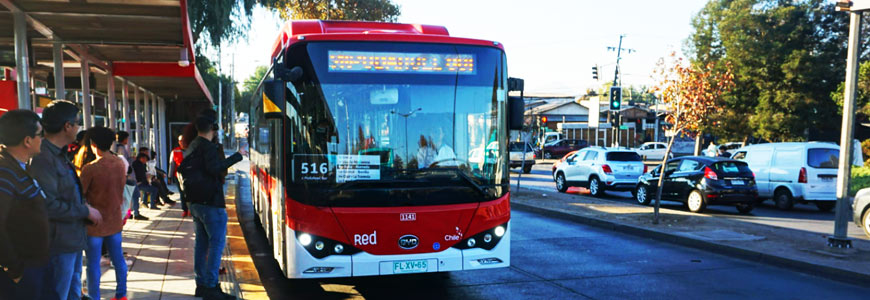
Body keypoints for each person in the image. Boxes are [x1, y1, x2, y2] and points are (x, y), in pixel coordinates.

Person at [29, 100, 102, 300]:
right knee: (58, 294)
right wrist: (84, 211)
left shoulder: (60, 156)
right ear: (67, 126)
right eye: (77, 123)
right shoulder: (43, 159)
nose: (79, 128)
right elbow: (48, 205)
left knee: (73, 293)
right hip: (58, 244)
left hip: (71, 240)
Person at [179, 109, 242, 300]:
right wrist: (237, 156)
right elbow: (215, 168)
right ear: (213, 129)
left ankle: (202, 284)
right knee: (216, 244)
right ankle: (211, 286)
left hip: (195, 202)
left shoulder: (192, 146)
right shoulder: (207, 147)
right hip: (211, 203)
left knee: (201, 244)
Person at [0, 110, 51, 300]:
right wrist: (15, 270)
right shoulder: (4, 173)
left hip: (36, 265)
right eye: (40, 134)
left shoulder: (18, 168)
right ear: (27, 141)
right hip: (24, 271)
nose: (43, 139)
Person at [80, 127, 128, 300]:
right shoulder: (120, 163)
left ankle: (94, 297)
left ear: (93, 144)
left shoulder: (90, 168)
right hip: (114, 220)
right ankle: (121, 294)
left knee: (93, 264)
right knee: (118, 260)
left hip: (94, 224)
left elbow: (81, 195)